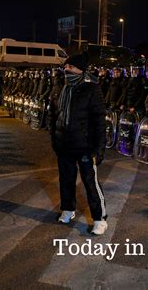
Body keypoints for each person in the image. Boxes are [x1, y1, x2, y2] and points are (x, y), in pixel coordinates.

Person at [48, 52, 108, 235]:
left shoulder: (92, 89)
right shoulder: (59, 87)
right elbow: (52, 115)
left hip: (85, 146)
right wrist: (54, 139)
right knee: (66, 180)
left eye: (71, 67)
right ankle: (68, 210)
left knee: (90, 183)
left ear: (81, 70)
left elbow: (99, 121)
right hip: (64, 144)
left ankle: (99, 219)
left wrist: (98, 148)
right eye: (65, 67)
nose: (67, 70)